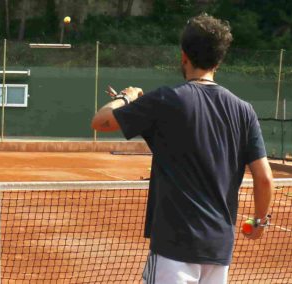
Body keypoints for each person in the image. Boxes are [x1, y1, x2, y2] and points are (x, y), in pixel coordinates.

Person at [91, 13, 273, 284]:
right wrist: (259, 222)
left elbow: (100, 121)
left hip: (173, 247)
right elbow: (264, 178)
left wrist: (125, 96)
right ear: (219, 60)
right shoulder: (244, 111)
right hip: (218, 250)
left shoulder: (167, 100)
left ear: (183, 56)